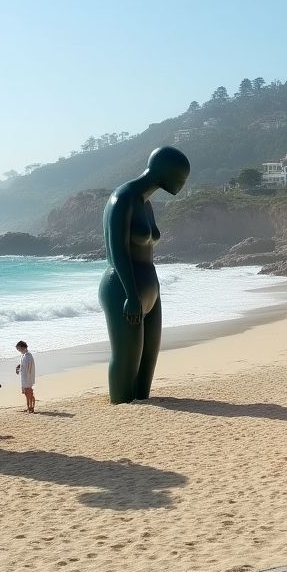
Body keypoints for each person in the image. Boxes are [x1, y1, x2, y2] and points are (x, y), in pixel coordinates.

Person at [99, 147, 190, 404]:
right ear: (165, 171)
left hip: (150, 287)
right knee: (127, 357)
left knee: (148, 358)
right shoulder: (122, 198)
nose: (182, 183)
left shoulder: (146, 204)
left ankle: (142, 402)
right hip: (123, 287)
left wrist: (151, 293)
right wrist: (131, 294)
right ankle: (121, 405)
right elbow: (117, 251)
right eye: (181, 176)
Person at [15, 340, 36, 413]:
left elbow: (30, 367)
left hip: (28, 378)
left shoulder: (28, 356)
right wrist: (18, 367)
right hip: (24, 377)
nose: (18, 350)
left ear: (22, 347)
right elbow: (23, 364)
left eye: (18, 348)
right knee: (26, 393)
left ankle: (31, 407)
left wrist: (29, 377)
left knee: (29, 393)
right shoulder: (24, 355)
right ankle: (28, 407)